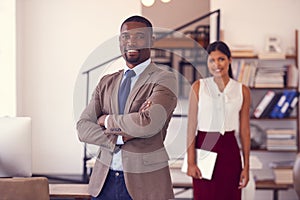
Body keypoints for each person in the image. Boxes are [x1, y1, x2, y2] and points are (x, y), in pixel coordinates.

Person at [76, 15, 177, 200]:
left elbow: (148, 123)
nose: (131, 42)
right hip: (103, 183)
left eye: (139, 36)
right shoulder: (106, 82)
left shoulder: (164, 79)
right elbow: (83, 128)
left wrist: (106, 120)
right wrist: (121, 137)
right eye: (125, 36)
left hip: (146, 184)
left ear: (151, 40)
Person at [186, 41, 250, 200]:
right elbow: (190, 127)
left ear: (229, 60)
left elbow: (245, 130)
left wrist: (246, 166)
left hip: (230, 150)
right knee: (205, 195)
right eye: (211, 60)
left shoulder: (242, 90)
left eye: (221, 59)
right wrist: (191, 161)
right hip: (204, 146)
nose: (217, 64)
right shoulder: (198, 87)